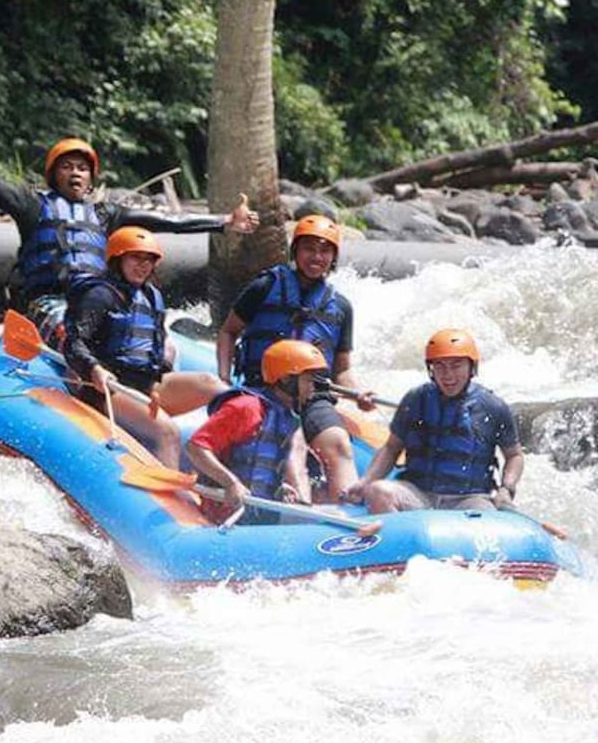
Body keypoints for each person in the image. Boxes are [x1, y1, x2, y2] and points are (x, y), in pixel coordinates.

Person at [0, 138, 256, 322]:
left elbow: (169, 223)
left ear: (91, 179)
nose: (75, 173)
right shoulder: (31, 205)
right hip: (47, 302)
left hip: (95, 300)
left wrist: (224, 222)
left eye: (82, 169)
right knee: (73, 328)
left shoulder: (105, 214)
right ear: (53, 175)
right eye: (67, 167)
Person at [214, 213, 375, 502]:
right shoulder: (264, 287)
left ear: (334, 257)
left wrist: (357, 393)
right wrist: (224, 379)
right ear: (296, 251)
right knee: (291, 443)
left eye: (325, 250)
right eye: (309, 249)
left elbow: (342, 370)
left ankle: (345, 511)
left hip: (313, 395)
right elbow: (228, 332)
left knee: (338, 442)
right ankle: (298, 507)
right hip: (265, 390)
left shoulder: (341, 307)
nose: (317, 257)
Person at [61, 226, 224, 468]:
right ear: (118, 259)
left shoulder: (151, 296)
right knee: (167, 432)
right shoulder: (99, 295)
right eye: (135, 258)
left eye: (149, 260)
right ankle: (170, 501)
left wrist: (163, 372)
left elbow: (157, 343)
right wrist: (94, 368)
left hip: (146, 383)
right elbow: (74, 341)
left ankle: (221, 469)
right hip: (108, 387)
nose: (143, 265)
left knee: (215, 387)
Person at [343, 329, 523, 514]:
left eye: (456, 365)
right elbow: (391, 448)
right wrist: (366, 482)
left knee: (487, 517)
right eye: (440, 366)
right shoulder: (415, 400)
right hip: (419, 494)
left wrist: (506, 488)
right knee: (379, 491)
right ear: (431, 369)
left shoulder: (493, 406)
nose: (448, 375)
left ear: (472, 367)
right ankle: (397, 540)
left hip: (469, 499)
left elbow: (514, 455)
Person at [185, 340, 329, 524]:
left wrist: (277, 487)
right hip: (226, 513)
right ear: (286, 379)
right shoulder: (245, 407)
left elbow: (261, 468)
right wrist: (231, 483)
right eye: (308, 380)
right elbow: (195, 448)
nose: (313, 388)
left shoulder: (287, 417)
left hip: (257, 514)